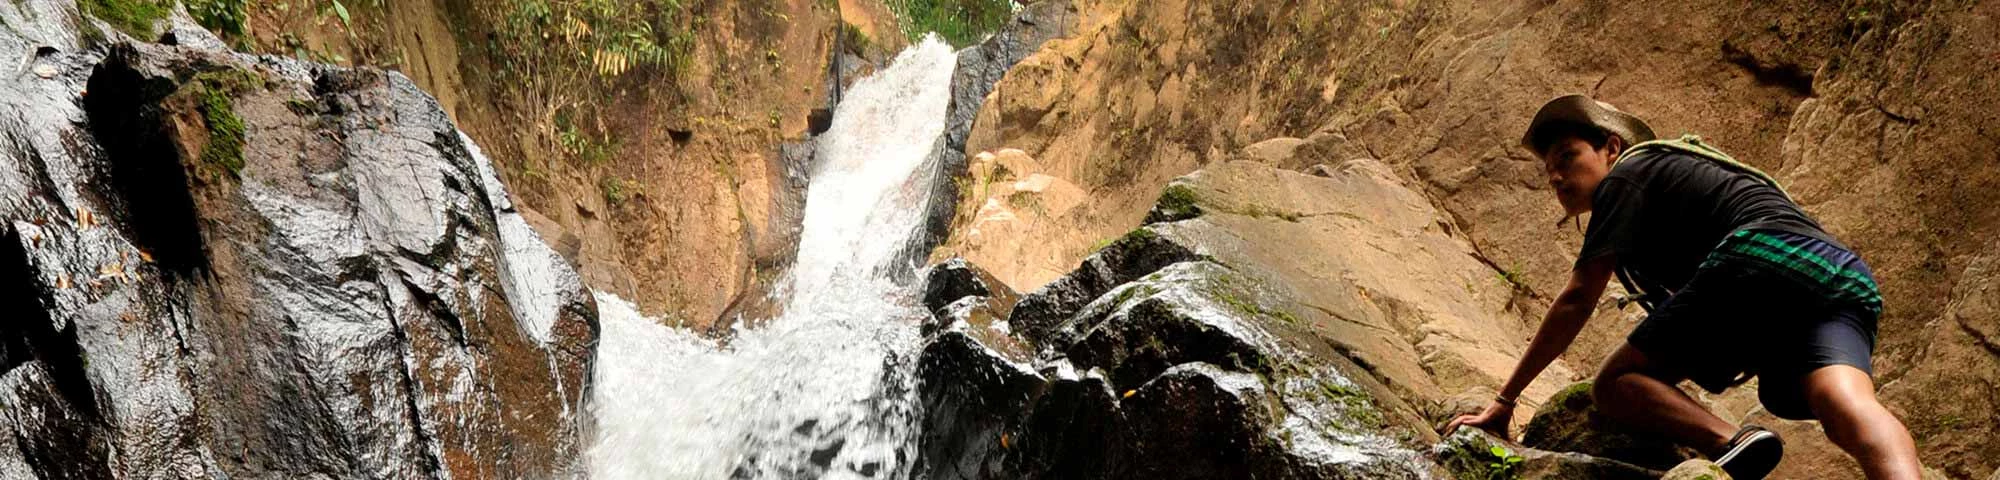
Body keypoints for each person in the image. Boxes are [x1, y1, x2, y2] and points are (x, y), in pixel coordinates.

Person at [1442, 95, 1923, 480]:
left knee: (1615, 384)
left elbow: (1577, 297)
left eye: (1567, 157)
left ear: (1611, 147)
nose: (1557, 176)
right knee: (1845, 406)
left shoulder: (1628, 173)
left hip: (1761, 256)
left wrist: (1505, 400)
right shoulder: (1672, 193)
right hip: (1842, 274)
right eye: (1549, 172)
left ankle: (1729, 441)